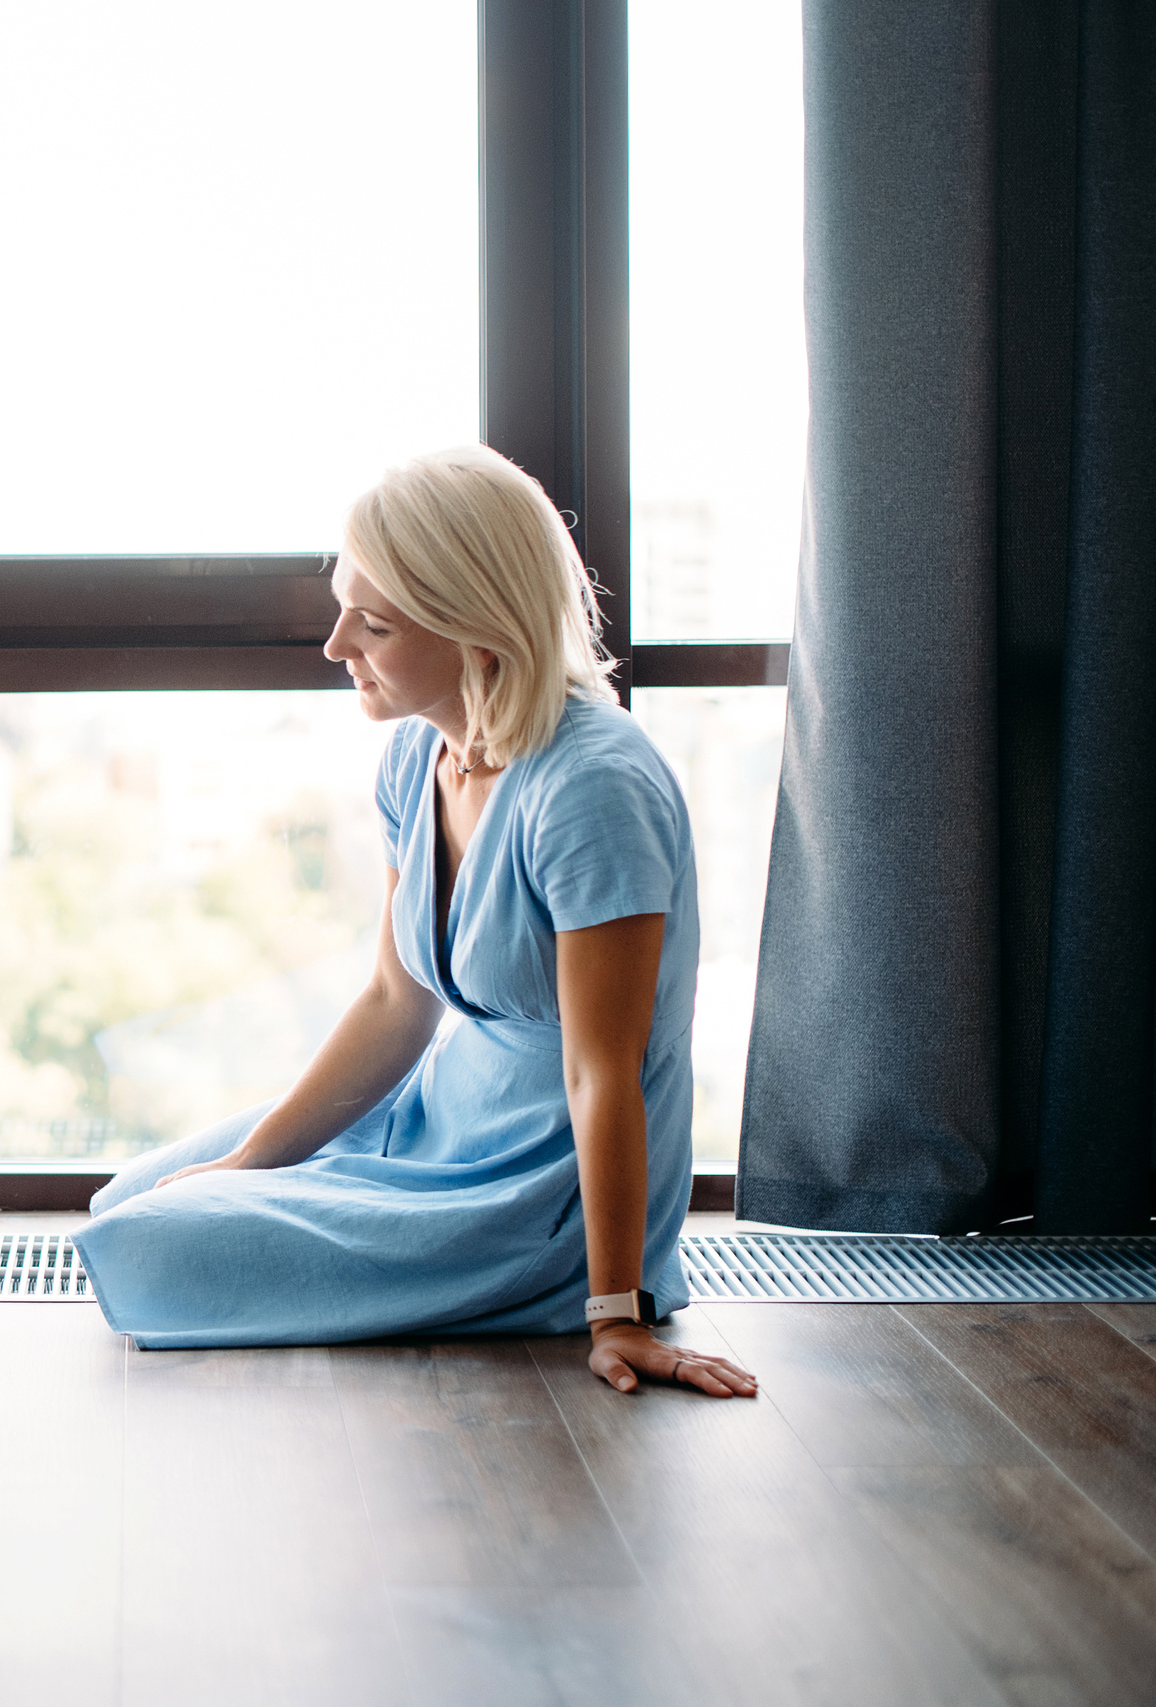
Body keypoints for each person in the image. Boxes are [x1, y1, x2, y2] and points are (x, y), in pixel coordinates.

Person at [70, 445, 757, 1398]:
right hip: (433, 1121)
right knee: (125, 1205)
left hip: (534, 1191)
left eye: (374, 623)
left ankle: (546, 1288)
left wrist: (618, 1311)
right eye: (343, 606)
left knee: (145, 1251)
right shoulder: (416, 757)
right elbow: (398, 1001)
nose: (336, 643)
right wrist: (243, 1164)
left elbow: (606, 1071)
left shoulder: (592, 787)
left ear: (478, 629)